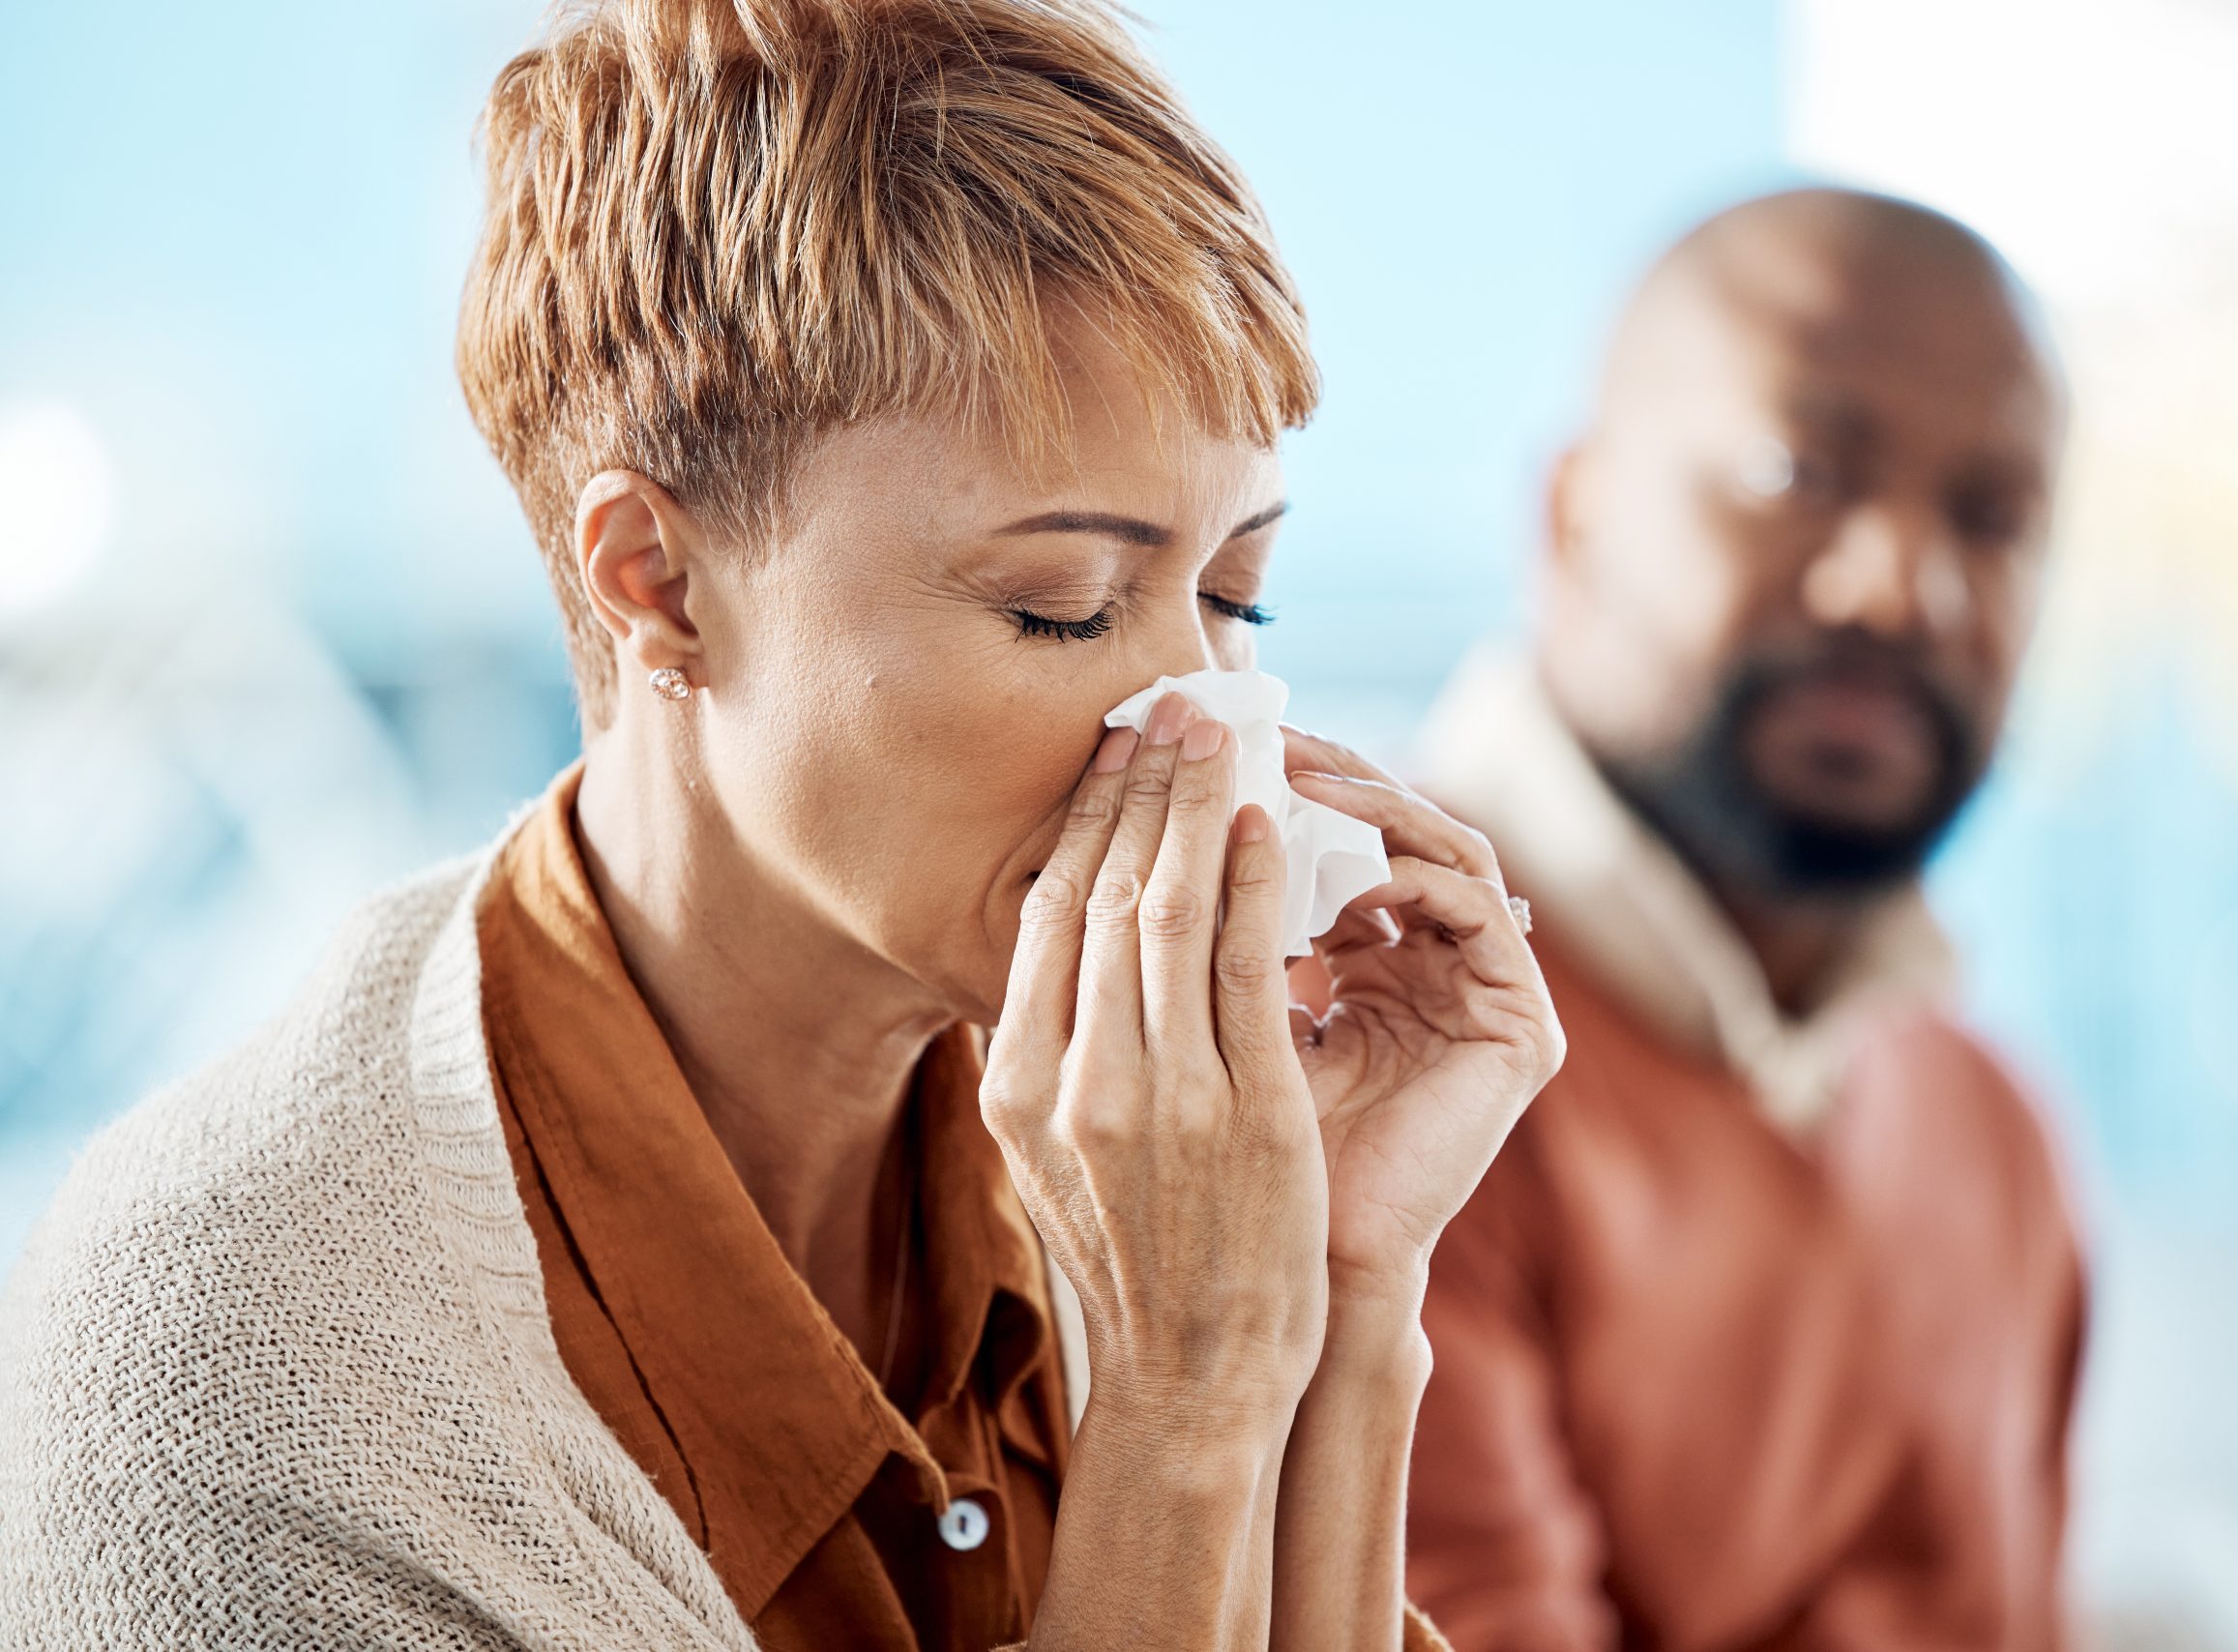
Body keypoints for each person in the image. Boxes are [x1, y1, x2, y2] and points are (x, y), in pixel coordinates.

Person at [0, 4, 1563, 1647]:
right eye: (1065, 605)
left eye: (1236, 593)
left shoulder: (1120, 1160)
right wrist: (1183, 1405)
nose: (1206, 719)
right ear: (658, 585)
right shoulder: (240, 1372)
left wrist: (1338, 1287)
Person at [1402, 189, 2084, 1651]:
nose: (1901, 582)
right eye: (1800, 470)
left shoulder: (1996, 1135)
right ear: (1571, 512)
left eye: (1994, 515)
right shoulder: (1362, 1041)